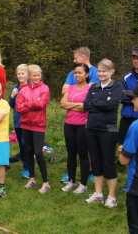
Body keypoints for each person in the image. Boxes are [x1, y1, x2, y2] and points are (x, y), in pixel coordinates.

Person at [84, 58, 122, 208]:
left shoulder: (117, 86)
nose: (101, 73)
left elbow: (111, 105)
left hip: (108, 130)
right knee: (95, 162)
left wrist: (97, 103)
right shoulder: (93, 86)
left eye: (104, 71)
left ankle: (112, 197)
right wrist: (100, 103)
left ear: (111, 72)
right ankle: (98, 194)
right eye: (99, 71)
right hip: (91, 128)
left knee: (108, 162)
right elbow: (86, 105)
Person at [16, 64, 51, 194]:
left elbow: (41, 104)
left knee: (38, 152)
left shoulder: (45, 88)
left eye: (38, 75)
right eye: (33, 75)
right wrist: (32, 103)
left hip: (38, 125)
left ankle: (46, 182)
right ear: (29, 76)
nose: (36, 77)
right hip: (25, 124)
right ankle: (32, 178)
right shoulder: (23, 90)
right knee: (28, 151)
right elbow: (19, 108)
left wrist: (28, 104)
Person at [60, 63, 91, 194]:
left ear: (87, 74)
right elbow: (62, 103)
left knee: (83, 155)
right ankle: (71, 181)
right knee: (71, 154)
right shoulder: (70, 88)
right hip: (69, 124)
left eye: (80, 73)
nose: (77, 75)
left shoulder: (91, 88)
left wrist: (70, 105)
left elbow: (86, 106)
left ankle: (83, 184)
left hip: (83, 125)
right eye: (75, 73)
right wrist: (77, 105)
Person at [119, 87, 138, 234]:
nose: (132, 101)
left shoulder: (135, 126)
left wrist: (121, 150)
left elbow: (124, 161)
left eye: (135, 97)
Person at [9, 64, 30, 178]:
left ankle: (28, 168)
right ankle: (25, 166)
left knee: (26, 145)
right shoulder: (16, 87)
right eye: (19, 73)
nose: (20, 75)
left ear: (28, 74)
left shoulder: (30, 87)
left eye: (23, 73)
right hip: (17, 121)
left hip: (27, 121)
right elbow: (11, 105)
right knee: (21, 145)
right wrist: (12, 96)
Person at [119, 47, 138, 145]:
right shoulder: (126, 77)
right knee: (122, 149)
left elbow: (126, 95)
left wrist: (130, 94)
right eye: (134, 57)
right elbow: (121, 96)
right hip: (127, 119)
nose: (136, 60)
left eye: (137, 57)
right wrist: (135, 98)